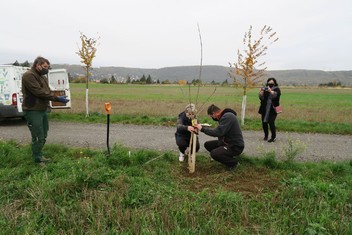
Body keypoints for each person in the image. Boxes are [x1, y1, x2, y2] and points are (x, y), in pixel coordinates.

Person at [22, 56, 69, 165]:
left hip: (42, 109)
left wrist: (58, 96)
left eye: (48, 67)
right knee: (38, 136)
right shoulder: (29, 76)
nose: (46, 69)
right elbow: (39, 92)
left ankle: (38, 154)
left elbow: (47, 90)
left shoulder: (42, 76)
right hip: (33, 109)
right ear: (37, 65)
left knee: (44, 134)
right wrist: (57, 98)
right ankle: (37, 159)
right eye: (44, 67)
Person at [195, 104, 244, 171]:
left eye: (211, 116)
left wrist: (202, 129)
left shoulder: (228, 117)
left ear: (214, 113)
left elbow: (218, 132)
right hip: (227, 142)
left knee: (214, 153)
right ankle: (226, 157)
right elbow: (220, 131)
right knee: (208, 144)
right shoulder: (225, 116)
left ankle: (234, 163)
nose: (212, 118)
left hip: (235, 146)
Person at [258, 77, 281, 142]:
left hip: (274, 108)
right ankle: (266, 135)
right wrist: (261, 93)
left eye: (272, 82)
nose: (270, 83)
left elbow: (276, 95)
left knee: (271, 122)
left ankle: (273, 137)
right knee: (264, 123)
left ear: (274, 82)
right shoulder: (265, 89)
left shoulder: (277, 89)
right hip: (264, 108)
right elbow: (261, 98)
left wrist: (270, 91)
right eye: (269, 82)